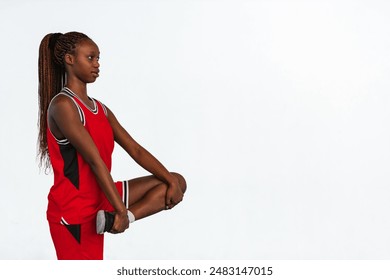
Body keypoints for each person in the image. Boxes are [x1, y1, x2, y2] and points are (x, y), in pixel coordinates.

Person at [37, 31, 187, 260]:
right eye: (90, 58)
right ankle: (116, 217)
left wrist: (170, 182)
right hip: (74, 209)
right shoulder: (63, 105)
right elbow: (95, 161)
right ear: (69, 59)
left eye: (98, 58)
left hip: (102, 196)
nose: (97, 64)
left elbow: (135, 150)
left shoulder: (102, 109)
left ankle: (117, 218)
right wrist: (119, 209)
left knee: (175, 181)